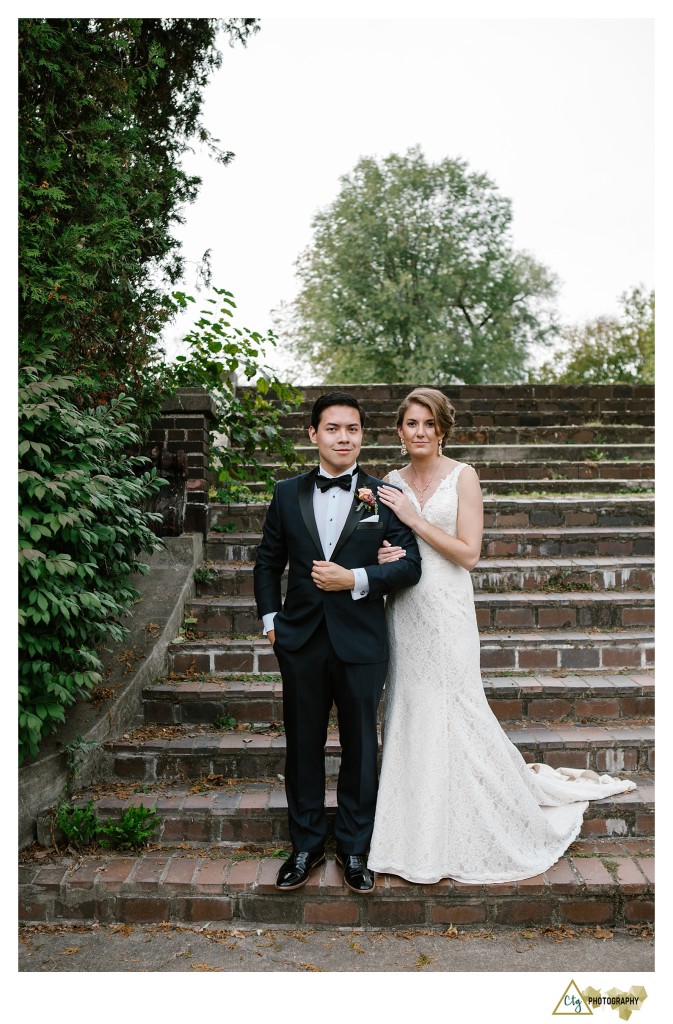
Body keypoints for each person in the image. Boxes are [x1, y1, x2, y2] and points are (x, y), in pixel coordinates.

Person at [367, 387, 636, 885]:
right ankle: (414, 827)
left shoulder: (463, 478)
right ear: (400, 431)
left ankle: (470, 818)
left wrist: (414, 519)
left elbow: (469, 554)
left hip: (446, 608)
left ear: (442, 430)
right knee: (410, 704)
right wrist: (386, 556)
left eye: (428, 424)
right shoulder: (390, 481)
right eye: (411, 424)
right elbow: (390, 544)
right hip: (404, 609)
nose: (419, 432)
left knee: (456, 705)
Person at [253, 391, 422, 893]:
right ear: (313, 435)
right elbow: (267, 561)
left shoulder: (385, 495)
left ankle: (354, 849)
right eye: (332, 428)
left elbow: (410, 565)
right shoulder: (285, 494)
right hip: (300, 638)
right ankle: (304, 845)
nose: (343, 437)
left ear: (362, 436)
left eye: (352, 429)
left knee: (361, 747)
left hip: (362, 640)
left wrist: (356, 579)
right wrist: (271, 622)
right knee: (302, 745)